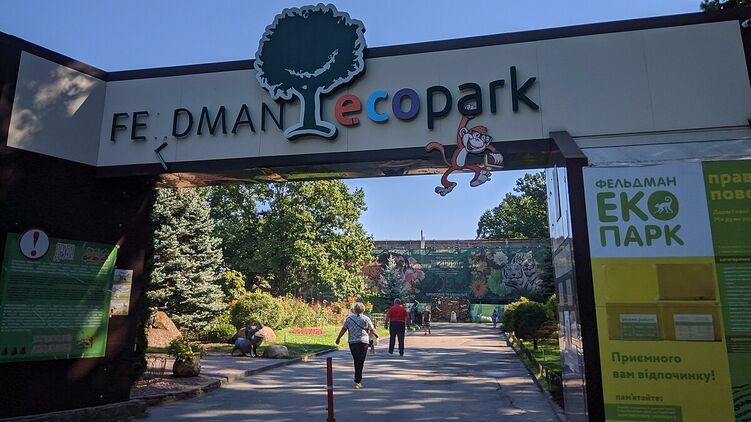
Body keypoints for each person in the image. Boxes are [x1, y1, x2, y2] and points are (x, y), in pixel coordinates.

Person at [336, 302, 379, 389]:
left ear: (354, 309)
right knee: (361, 361)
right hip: (363, 342)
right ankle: (358, 380)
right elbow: (372, 329)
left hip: (352, 342)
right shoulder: (366, 318)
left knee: (356, 360)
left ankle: (358, 379)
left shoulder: (349, 319)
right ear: (363, 309)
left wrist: (338, 338)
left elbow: (344, 329)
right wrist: (377, 335)